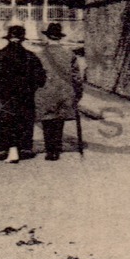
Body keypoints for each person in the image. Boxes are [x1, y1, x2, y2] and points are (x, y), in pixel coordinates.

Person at [0, 25, 46, 163]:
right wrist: (31, 87)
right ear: (22, 39)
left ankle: (9, 149)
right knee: (21, 121)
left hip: (3, 96)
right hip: (24, 96)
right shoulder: (30, 57)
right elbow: (41, 79)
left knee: (4, 121)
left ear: (9, 38)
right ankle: (16, 149)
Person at [35, 22, 84, 160]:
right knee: (59, 119)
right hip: (64, 92)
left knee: (47, 120)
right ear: (59, 37)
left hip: (45, 91)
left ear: (47, 37)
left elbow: (35, 75)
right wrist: (78, 93)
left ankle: (50, 150)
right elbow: (77, 77)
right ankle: (57, 148)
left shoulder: (39, 55)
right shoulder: (69, 54)